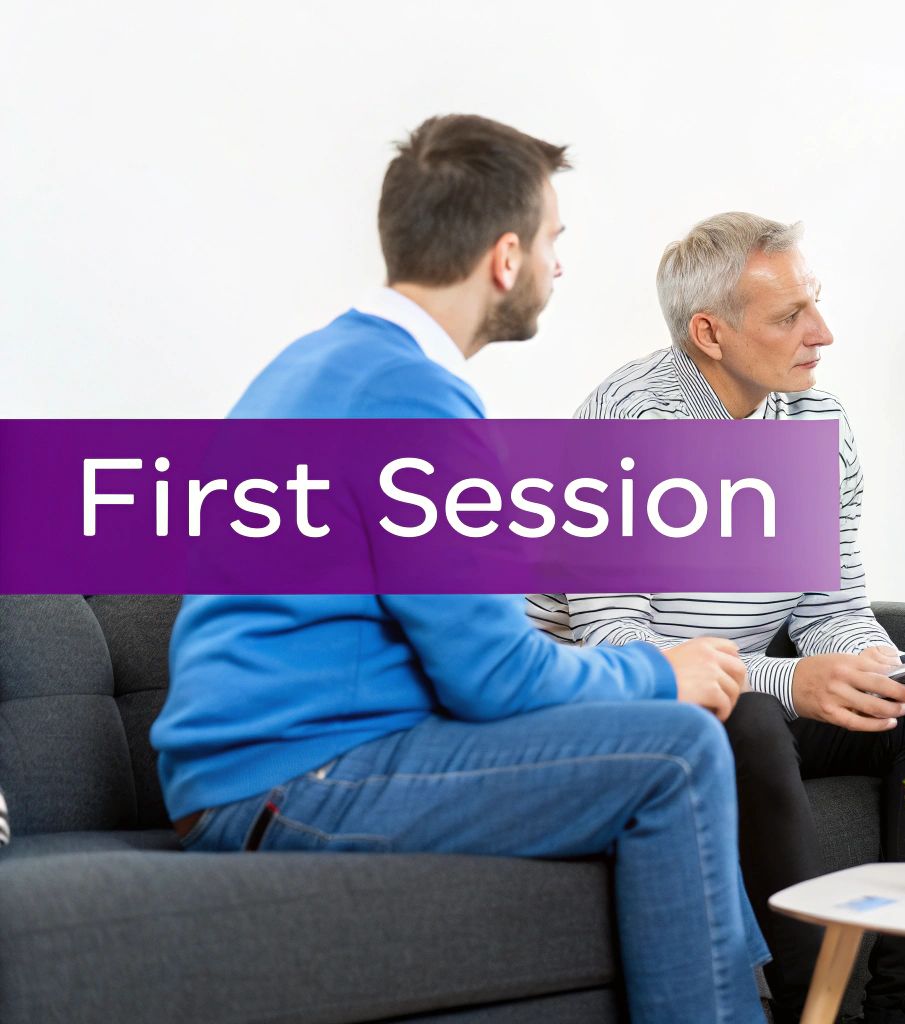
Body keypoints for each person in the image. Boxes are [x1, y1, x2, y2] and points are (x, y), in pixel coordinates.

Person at [151, 115, 768, 1024]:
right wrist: (659, 670)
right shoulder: (414, 401)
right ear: (506, 257)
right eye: (554, 240)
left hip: (256, 772)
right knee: (676, 754)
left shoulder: (323, 363)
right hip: (293, 778)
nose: (561, 265)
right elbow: (496, 678)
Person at [528, 213, 905, 1024]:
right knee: (755, 719)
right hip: (627, 708)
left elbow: (832, 605)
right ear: (710, 332)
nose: (823, 333)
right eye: (789, 317)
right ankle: (819, 1013)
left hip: (739, 696)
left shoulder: (816, 424)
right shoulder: (626, 424)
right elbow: (619, 645)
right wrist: (790, 682)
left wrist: (871, 663)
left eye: (816, 305)